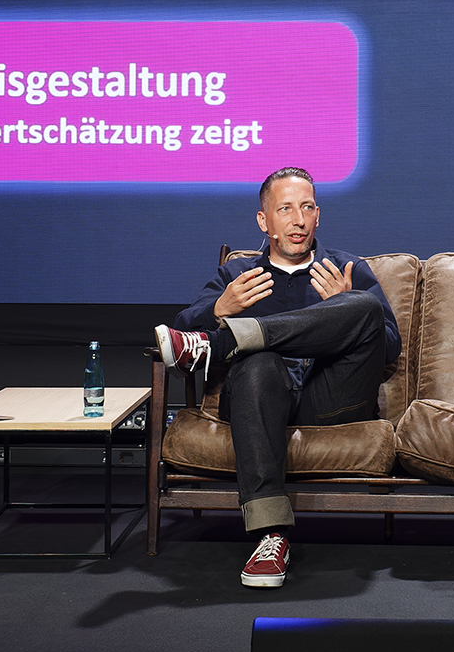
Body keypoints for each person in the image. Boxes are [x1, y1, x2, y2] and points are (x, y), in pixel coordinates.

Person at [155, 167, 401, 588]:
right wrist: (218, 309)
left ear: (318, 216)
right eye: (285, 209)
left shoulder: (346, 268)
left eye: (307, 208)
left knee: (364, 306)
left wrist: (343, 304)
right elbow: (181, 330)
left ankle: (228, 342)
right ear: (263, 220)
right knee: (259, 362)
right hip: (259, 399)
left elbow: (389, 347)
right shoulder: (238, 275)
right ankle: (270, 536)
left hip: (329, 397)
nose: (298, 220)